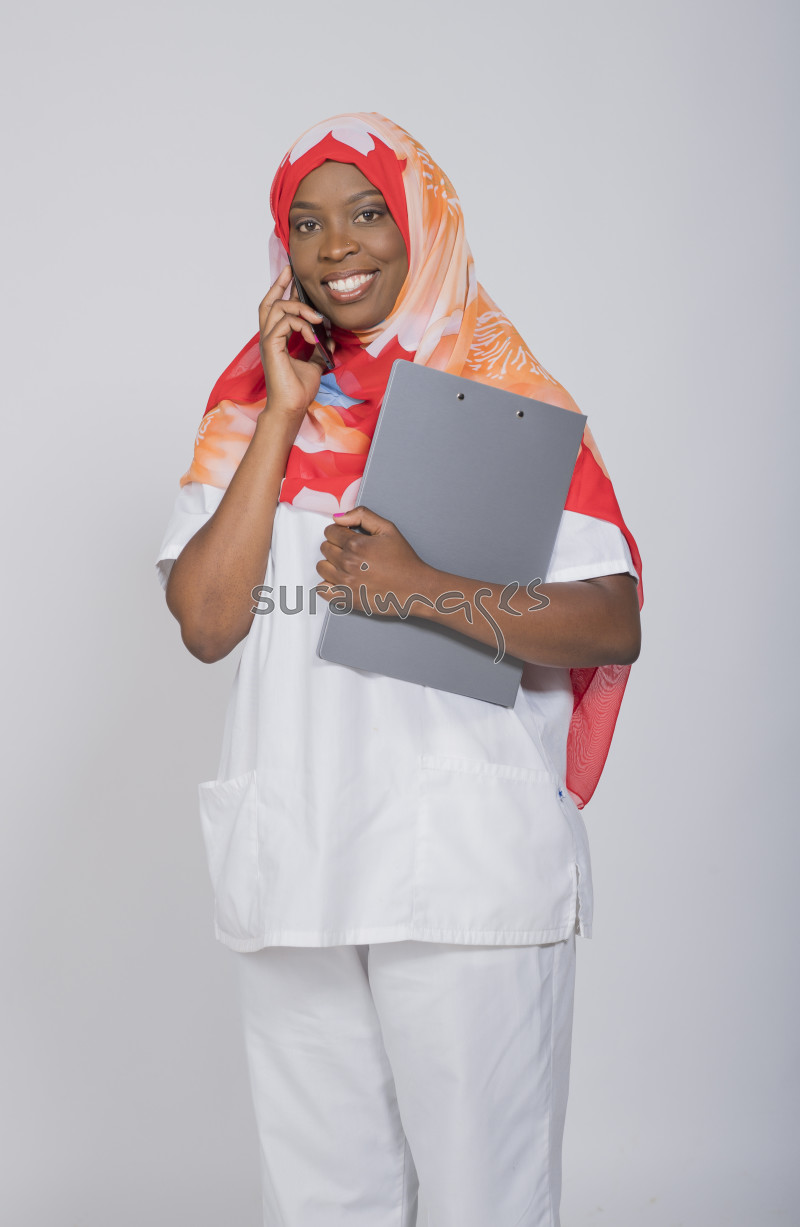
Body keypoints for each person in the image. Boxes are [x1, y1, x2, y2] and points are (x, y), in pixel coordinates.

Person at [156, 112, 642, 1227]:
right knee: (321, 1206)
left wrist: (419, 586)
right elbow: (207, 621)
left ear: (422, 221)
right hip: (299, 866)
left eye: (368, 211)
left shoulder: (506, 395)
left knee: (486, 1204)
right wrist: (282, 414)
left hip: (461, 868)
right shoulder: (245, 412)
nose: (337, 246)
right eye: (306, 224)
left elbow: (610, 621)